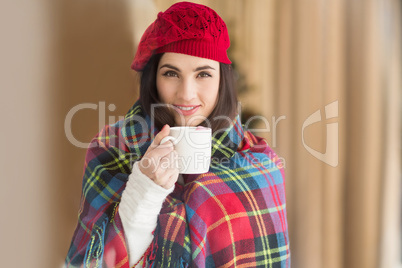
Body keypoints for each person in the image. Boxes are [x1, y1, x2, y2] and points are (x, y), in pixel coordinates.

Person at [65, 2, 290, 267]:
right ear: (153, 78)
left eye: (203, 74)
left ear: (223, 79)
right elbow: (92, 262)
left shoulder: (259, 165)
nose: (186, 93)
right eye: (171, 73)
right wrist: (143, 190)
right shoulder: (110, 150)